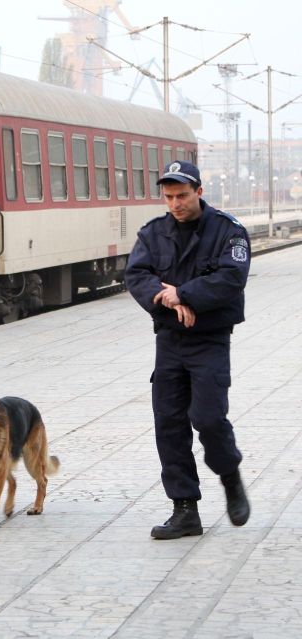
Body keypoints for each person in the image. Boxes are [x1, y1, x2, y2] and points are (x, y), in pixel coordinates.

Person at [125, 159, 251, 540]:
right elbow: (137, 275)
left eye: (182, 195)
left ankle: (229, 476)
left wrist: (184, 292)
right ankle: (184, 510)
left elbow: (231, 278)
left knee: (209, 419)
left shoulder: (228, 231)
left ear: (199, 191)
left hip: (210, 339)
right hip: (169, 340)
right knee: (169, 424)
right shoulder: (153, 234)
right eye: (169, 197)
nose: (176, 204)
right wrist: (167, 299)